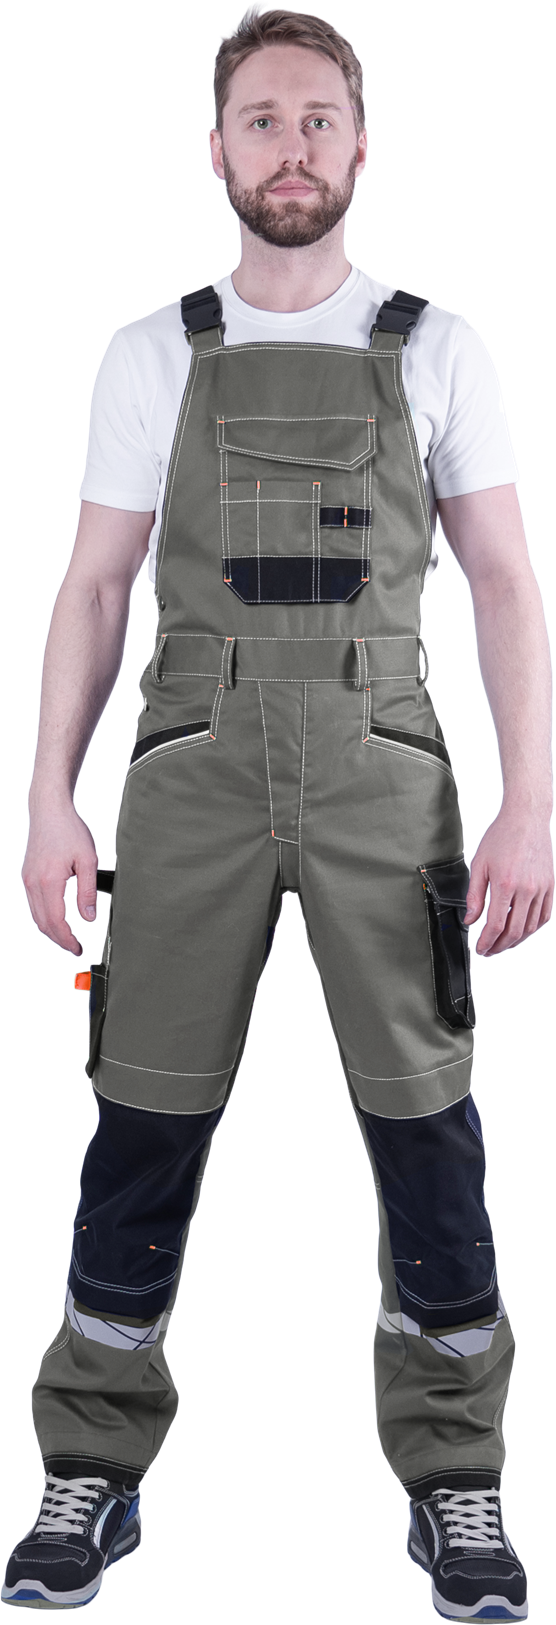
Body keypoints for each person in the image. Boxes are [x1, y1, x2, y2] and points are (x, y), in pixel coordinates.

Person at [5, 4, 552, 1616]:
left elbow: (505, 584)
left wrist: (529, 806)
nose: (292, 146)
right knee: (144, 1119)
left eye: (319, 118)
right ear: (219, 150)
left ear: (362, 145)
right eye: (263, 119)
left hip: (388, 762)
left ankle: (457, 1478)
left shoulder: (438, 347)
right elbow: (94, 587)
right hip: (193, 764)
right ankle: (90, 1464)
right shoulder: (151, 352)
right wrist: (47, 799)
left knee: (427, 1127)